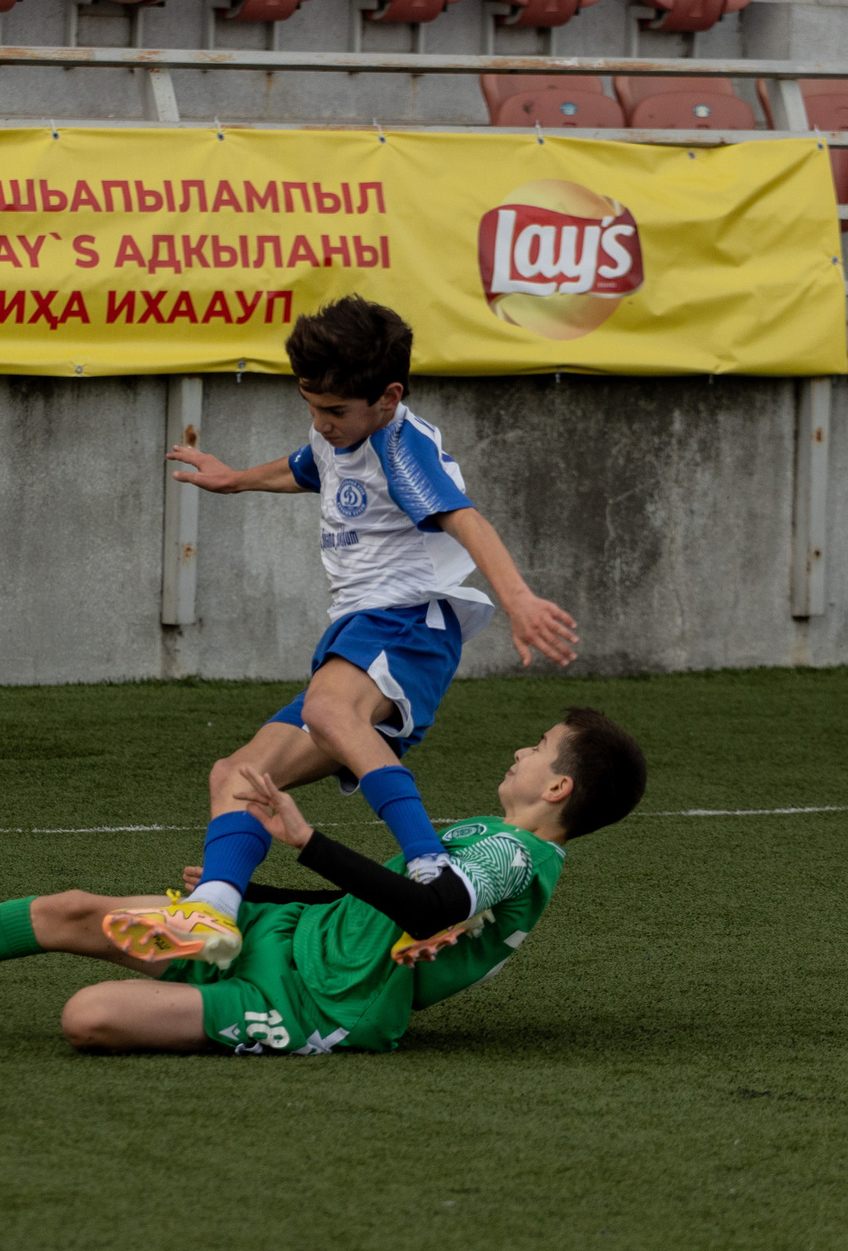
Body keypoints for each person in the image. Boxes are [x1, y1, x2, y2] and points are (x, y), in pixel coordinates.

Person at [92, 294, 580, 971]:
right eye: (311, 405)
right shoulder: (339, 432)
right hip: (361, 629)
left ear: (389, 397)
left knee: (327, 711)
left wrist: (518, 598)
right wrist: (236, 480)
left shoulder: (401, 447)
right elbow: (308, 464)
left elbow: (466, 519)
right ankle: (214, 910)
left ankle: (432, 870)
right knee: (238, 774)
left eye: (336, 411)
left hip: (407, 621)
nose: (322, 422)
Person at [0, 709, 648, 1056]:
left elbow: (429, 905)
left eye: (539, 747)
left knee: (87, 1017)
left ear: (558, 788)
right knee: (72, 910)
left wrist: (305, 839)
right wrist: (260, 899)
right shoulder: (494, 841)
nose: (521, 748)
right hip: (281, 940)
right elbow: (382, 909)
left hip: (314, 1004)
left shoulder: (516, 856)